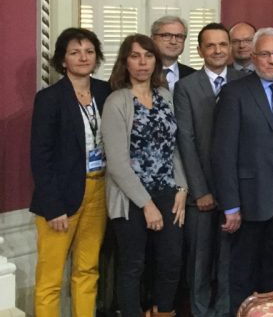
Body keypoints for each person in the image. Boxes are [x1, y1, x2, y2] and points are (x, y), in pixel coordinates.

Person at [213, 27, 273, 309]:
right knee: (244, 271)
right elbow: (223, 153)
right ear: (253, 58)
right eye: (265, 54)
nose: (272, 60)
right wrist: (230, 205)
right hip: (248, 196)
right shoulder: (235, 93)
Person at [102, 34, 188, 317]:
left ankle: (163, 312)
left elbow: (174, 147)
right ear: (125, 62)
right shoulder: (117, 101)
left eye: (148, 56)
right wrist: (146, 204)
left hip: (167, 191)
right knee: (132, 266)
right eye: (135, 56)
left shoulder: (165, 96)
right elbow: (116, 163)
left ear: (156, 61)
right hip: (130, 198)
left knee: (171, 261)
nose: (142, 62)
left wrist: (182, 188)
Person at [29, 28, 111, 317]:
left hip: (99, 190)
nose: (83, 57)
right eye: (75, 52)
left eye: (89, 51)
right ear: (63, 60)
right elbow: (41, 157)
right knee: (51, 278)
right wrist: (53, 208)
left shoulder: (105, 92)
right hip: (61, 198)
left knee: (87, 270)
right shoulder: (50, 99)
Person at [174, 23, 246, 317]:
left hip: (237, 191)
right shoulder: (186, 87)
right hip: (201, 194)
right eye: (211, 45)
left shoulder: (245, 80)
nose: (218, 50)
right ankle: (202, 312)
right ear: (201, 50)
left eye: (223, 44)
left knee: (231, 261)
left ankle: (226, 312)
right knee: (200, 262)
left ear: (230, 48)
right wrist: (200, 190)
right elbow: (186, 141)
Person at [151, 15, 196, 91]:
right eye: (166, 35)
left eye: (179, 36)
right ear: (152, 39)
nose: (173, 42)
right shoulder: (141, 72)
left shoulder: (193, 76)